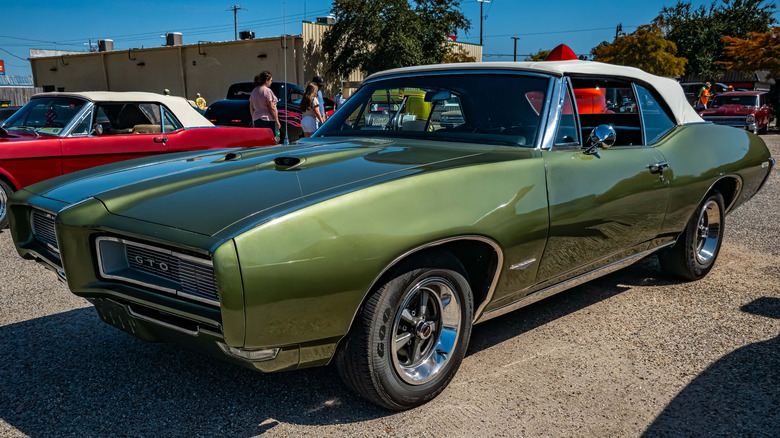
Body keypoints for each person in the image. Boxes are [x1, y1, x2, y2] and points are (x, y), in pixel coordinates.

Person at [249, 70, 280, 138]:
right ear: (266, 80)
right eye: (271, 80)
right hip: (267, 120)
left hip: (257, 120)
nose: (271, 82)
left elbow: (251, 106)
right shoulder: (267, 91)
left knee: (260, 140)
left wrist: (253, 118)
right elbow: (272, 107)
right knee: (269, 140)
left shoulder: (254, 91)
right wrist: (277, 121)